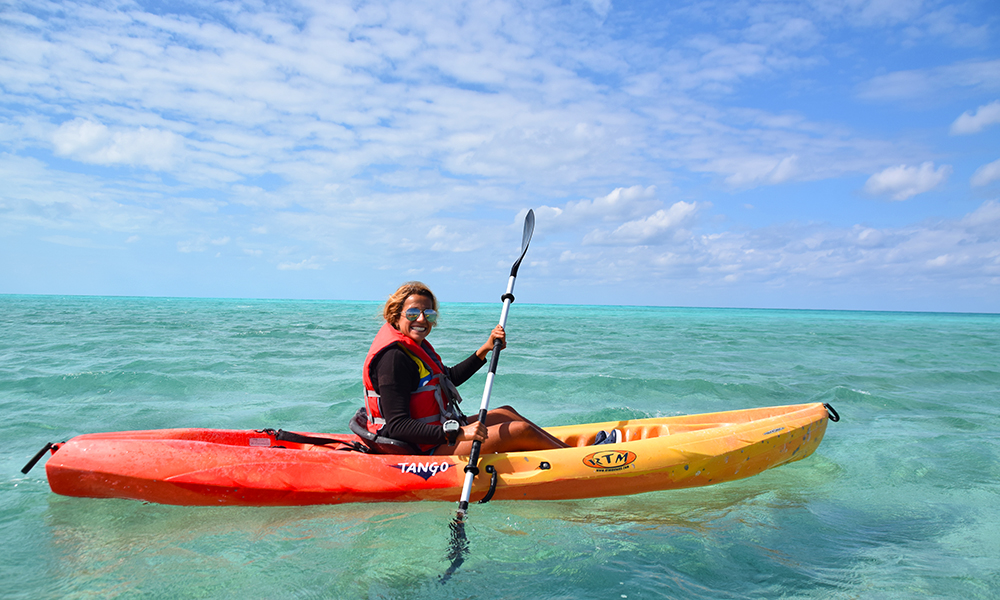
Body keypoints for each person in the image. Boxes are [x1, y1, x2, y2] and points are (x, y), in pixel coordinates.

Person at [360, 281, 576, 455]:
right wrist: (457, 432)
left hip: (437, 434)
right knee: (519, 431)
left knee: (506, 413)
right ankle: (577, 461)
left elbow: (448, 378)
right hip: (420, 448)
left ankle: (567, 452)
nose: (422, 319)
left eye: (429, 314)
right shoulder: (393, 359)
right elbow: (399, 426)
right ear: (395, 315)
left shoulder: (416, 348)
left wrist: (485, 349)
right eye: (413, 313)